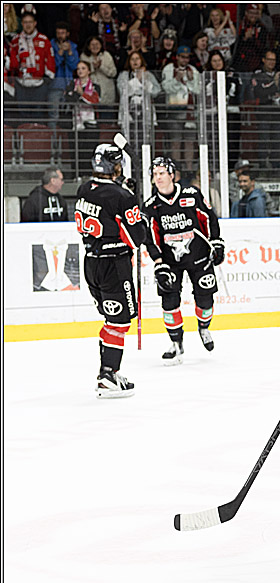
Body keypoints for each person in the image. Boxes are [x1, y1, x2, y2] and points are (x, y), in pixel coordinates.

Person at [74, 144, 146, 398]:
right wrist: (133, 202)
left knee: (112, 319)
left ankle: (110, 373)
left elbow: (104, 204)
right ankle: (107, 375)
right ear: (114, 166)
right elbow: (137, 236)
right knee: (119, 321)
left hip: (91, 262)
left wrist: (124, 191)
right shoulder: (122, 196)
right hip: (114, 265)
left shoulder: (84, 189)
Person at [143, 156, 225, 363]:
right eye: (155, 174)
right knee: (169, 302)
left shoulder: (191, 195)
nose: (158, 177)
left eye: (162, 173)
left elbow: (209, 218)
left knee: (205, 299)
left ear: (172, 175)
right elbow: (150, 237)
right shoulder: (151, 206)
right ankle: (176, 342)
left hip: (199, 257)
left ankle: (204, 328)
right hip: (170, 262)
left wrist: (216, 242)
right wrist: (158, 262)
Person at [161, 45, 201, 169]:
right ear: (177, 57)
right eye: (182, 57)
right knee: (175, 141)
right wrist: (177, 79)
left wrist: (189, 80)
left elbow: (198, 91)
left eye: (187, 57)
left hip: (190, 111)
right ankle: (176, 169)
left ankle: (189, 169)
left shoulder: (193, 70)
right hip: (174, 109)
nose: (185, 60)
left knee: (190, 141)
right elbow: (166, 88)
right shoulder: (169, 69)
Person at [10, 10, 55, 119]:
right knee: (23, 114)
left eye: (30, 22)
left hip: (39, 84)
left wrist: (47, 79)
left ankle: (37, 135)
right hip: (21, 83)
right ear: (22, 24)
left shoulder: (43, 40)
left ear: (35, 23)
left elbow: (50, 59)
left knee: (38, 115)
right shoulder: (16, 41)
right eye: (25, 22)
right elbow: (12, 63)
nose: (28, 25)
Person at [48, 21, 79, 127]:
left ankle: (69, 143)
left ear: (68, 34)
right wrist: (60, 52)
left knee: (70, 116)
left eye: (63, 33)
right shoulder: (50, 45)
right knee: (53, 115)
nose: (60, 36)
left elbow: (75, 66)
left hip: (69, 85)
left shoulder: (73, 46)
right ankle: (53, 142)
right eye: (58, 33)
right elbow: (52, 65)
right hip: (55, 86)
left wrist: (70, 52)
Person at [77, 35, 117, 116]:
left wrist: (101, 67)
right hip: (90, 94)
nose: (95, 46)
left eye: (97, 44)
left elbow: (113, 73)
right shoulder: (84, 56)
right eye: (92, 44)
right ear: (88, 46)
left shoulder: (106, 55)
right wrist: (93, 68)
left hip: (107, 94)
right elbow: (82, 73)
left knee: (106, 121)